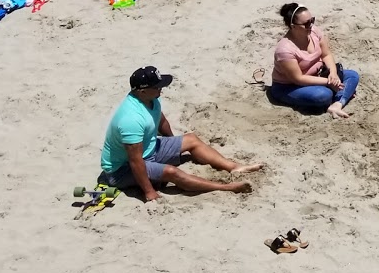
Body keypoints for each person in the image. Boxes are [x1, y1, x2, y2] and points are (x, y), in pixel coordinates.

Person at [99, 66, 262, 201]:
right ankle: (226, 187)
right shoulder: (131, 120)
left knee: (191, 139)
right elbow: (135, 161)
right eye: (157, 87)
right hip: (122, 169)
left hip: (149, 149)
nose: (161, 89)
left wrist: (173, 144)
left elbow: (160, 121)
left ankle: (234, 167)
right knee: (171, 172)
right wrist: (149, 192)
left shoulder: (152, 98)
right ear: (142, 91)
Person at [268, 3, 359, 117]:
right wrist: (329, 82)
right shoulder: (285, 50)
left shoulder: (314, 32)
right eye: (306, 23)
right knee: (322, 95)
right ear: (293, 26)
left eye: (312, 20)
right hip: (289, 87)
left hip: (317, 76)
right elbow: (298, 79)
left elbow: (326, 54)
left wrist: (333, 73)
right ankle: (338, 95)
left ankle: (337, 104)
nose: (310, 25)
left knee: (352, 75)